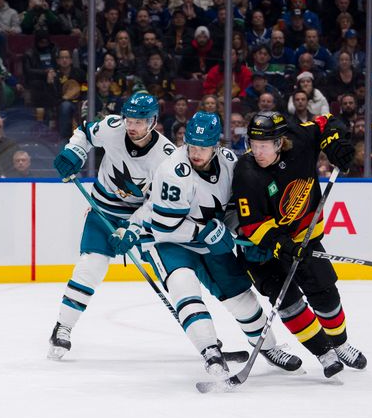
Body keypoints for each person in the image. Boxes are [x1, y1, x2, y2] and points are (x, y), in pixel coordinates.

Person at [118, 112, 302, 376]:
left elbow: (234, 209)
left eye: (203, 148)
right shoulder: (173, 171)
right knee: (184, 288)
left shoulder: (229, 162)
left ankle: (268, 347)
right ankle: (211, 354)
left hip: (210, 241)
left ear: (217, 146)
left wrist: (244, 232)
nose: (196, 153)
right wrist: (205, 231)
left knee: (241, 297)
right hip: (171, 243)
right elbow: (163, 226)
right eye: (192, 145)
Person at [232, 111, 366, 377]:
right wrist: (284, 246)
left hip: (305, 237)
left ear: (280, 142)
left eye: (264, 146)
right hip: (263, 251)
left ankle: (340, 343)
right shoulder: (247, 173)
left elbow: (329, 121)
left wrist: (336, 142)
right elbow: (253, 226)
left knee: (325, 293)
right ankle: (324, 353)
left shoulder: (301, 139)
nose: (257, 151)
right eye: (253, 144)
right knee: (290, 303)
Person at [47, 93, 176, 359]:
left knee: (173, 274)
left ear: (153, 122)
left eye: (139, 121)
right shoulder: (113, 127)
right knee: (89, 268)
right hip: (102, 211)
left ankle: (205, 339)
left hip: (141, 219)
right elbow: (84, 132)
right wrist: (75, 151)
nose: (132, 125)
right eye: (130, 118)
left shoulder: (166, 157)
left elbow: (157, 203)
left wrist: (133, 228)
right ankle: (63, 327)